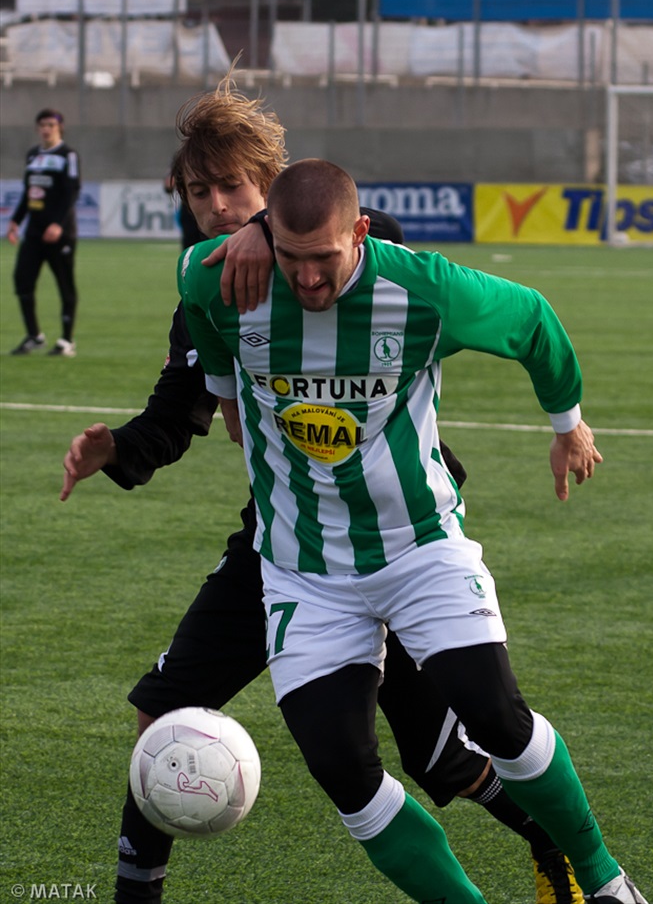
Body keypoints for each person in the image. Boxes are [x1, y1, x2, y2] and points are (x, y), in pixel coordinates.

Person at [62, 80, 584, 904]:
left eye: (235, 185)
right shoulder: (203, 293)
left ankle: (559, 847)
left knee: (441, 748)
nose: (218, 204)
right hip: (285, 543)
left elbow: (389, 253)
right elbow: (179, 411)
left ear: (273, 182)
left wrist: (274, 234)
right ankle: (136, 892)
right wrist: (117, 448)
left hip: (402, 531)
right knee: (164, 716)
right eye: (200, 191)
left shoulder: (353, 257)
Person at [178, 156, 650, 904]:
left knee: (495, 716)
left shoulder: (419, 289)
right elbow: (203, 316)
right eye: (291, 259)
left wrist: (569, 423)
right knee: (345, 774)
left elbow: (532, 319)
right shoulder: (215, 278)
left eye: (324, 258)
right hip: (303, 568)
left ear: (359, 232)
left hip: (419, 546)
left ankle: (605, 879)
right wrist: (224, 389)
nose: (305, 279)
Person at [7, 108, 81, 357]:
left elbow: (72, 191)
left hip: (60, 233)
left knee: (64, 285)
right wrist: (16, 221)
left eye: (50, 124)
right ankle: (34, 336)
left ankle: (66, 340)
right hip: (35, 233)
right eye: (42, 124)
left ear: (60, 127)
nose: (46, 128)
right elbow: (29, 193)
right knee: (22, 282)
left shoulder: (67, 155)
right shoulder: (32, 156)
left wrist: (58, 223)